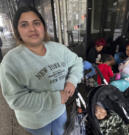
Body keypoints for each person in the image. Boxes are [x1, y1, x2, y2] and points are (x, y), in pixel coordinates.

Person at [0, 6, 83, 135]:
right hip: (36, 121)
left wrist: (72, 80)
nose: (32, 28)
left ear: (43, 27)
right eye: (24, 24)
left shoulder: (58, 49)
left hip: (60, 112)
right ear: (17, 31)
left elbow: (77, 62)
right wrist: (55, 99)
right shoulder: (10, 62)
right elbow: (16, 99)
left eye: (36, 23)